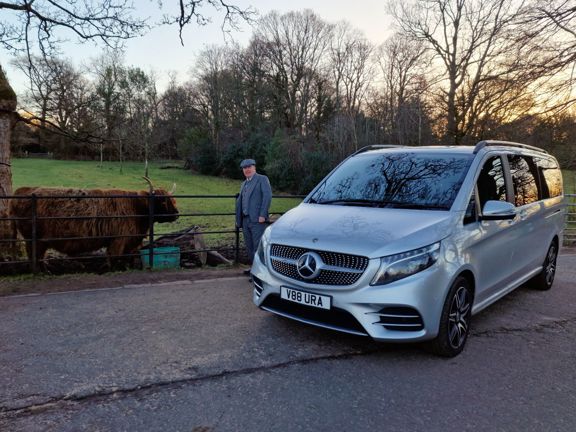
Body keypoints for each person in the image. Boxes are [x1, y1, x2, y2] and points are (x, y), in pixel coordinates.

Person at [235, 159, 272, 275]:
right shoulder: (243, 184)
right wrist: (239, 219)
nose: (247, 169)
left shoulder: (262, 179)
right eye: (244, 168)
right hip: (245, 220)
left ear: (254, 168)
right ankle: (253, 268)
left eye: (249, 167)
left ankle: (259, 273)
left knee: (257, 246)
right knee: (249, 246)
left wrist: (262, 215)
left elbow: (267, 196)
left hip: (258, 219)